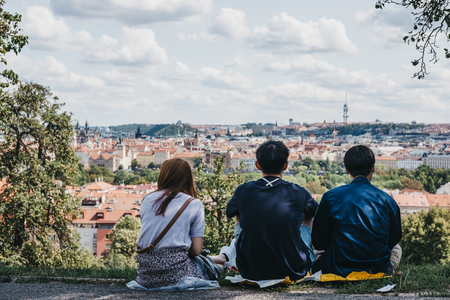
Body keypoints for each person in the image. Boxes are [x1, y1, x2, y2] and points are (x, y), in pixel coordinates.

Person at [223, 140, 319, 281]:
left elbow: (229, 212)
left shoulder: (244, 190)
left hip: (250, 271)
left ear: (257, 165)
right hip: (293, 270)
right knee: (308, 214)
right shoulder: (298, 192)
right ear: (285, 165)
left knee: (238, 211)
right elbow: (316, 212)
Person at [311, 145, 402, 277]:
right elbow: (394, 239)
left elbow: (319, 242)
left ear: (347, 170)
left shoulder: (330, 197)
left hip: (337, 268)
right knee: (397, 247)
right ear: (373, 168)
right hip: (377, 268)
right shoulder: (388, 200)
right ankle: (387, 271)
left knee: (316, 250)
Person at [135, 158, 219, 289]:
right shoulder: (194, 204)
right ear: (187, 178)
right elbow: (196, 250)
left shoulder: (146, 199)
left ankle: (222, 258)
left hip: (146, 275)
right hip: (178, 274)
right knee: (211, 267)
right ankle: (224, 261)